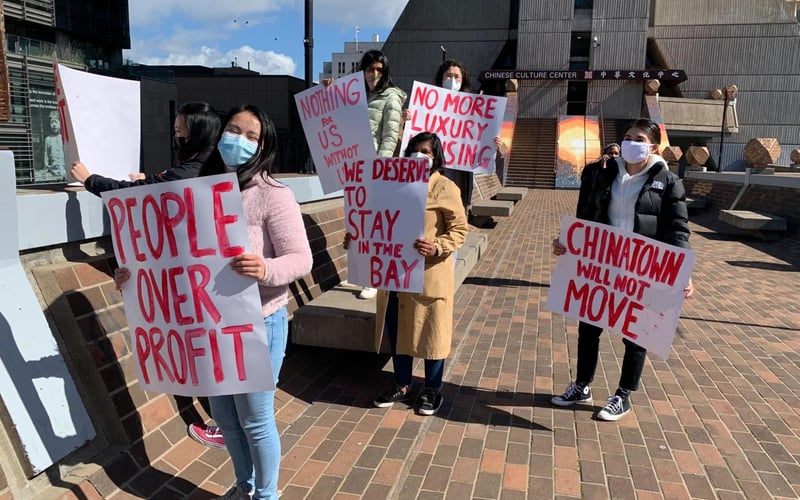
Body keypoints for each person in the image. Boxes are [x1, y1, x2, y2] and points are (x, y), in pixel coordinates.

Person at [550, 118, 694, 421]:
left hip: (642, 268)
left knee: (636, 333)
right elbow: (585, 217)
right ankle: (582, 384)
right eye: (627, 137)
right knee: (589, 327)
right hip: (602, 264)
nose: (631, 143)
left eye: (639, 138)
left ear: (653, 146)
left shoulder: (668, 183)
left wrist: (681, 270)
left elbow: (677, 229)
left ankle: (623, 394)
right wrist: (568, 242)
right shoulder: (600, 174)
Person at [345, 132, 468, 416]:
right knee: (399, 330)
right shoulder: (393, 185)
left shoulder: (445, 188)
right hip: (396, 274)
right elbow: (376, 219)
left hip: (429, 274)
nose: (420, 155)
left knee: (431, 333)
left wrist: (437, 246)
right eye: (415, 149)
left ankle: (432, 388)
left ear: (436, 157)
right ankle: (402, 384)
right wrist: (359, 239)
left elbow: (459, 229)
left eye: (427, 151)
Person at [406, 60, 507, 215]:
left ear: (463, 80)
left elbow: (493, 146)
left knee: (455, 216)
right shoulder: (426, 104)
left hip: (459, 176)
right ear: (441, 78)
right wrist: (404, 119)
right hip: (431, 174)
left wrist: (499, 147)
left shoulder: (474, 108)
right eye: (448, 75)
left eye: (457, 77)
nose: (452, 80)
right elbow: (411, 141)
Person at [70, 101, 220, 196]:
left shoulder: (192, 171)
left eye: (179, 132)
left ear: (196, 134)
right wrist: (148, 180)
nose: (177, 138)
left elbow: (132, 191)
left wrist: (89, 180)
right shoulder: (212, 162)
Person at [357, 49, 407, 299]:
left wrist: (380, 165)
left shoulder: (391, 98)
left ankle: (373, 278)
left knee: (375, 227)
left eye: (379, 69)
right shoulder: (354, 94)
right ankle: (361, 272)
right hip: (354, 168)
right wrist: (328, 91)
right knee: (357, 223)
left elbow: (390, 136)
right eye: (370, 69)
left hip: (376, 169)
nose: (374, 74)